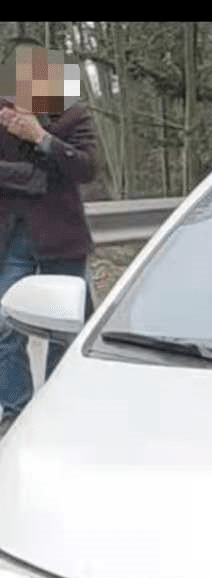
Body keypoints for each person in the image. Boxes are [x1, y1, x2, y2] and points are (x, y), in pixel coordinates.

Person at [0, 36, 96, 429]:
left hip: (62, 237)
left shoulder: (73, 116)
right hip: (12, 238)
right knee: (6, 325)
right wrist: (38, 178)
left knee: (65, 330)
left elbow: (87, 169)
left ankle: (59, 411)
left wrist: (40, 138)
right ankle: (16, 410)